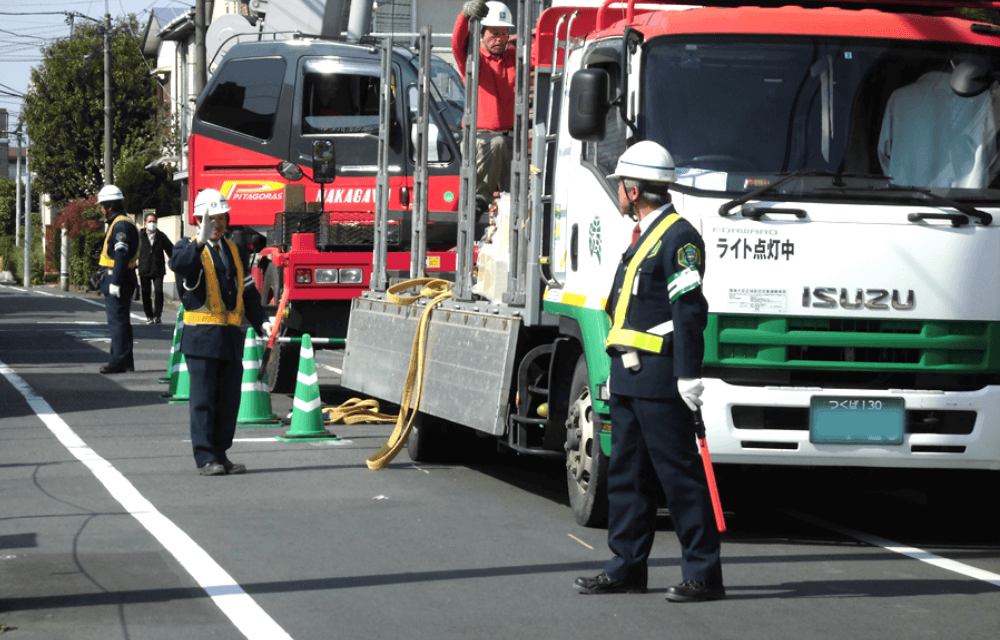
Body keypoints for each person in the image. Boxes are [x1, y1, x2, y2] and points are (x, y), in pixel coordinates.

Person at [574, 141, 724, 603]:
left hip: (661, 380)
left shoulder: (679, 239)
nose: (618, 190)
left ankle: (703, 574)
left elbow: (689, 309)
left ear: (634, 190)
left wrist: (688, 375)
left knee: (679, 478)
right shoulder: (643, 234)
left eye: (620, 184)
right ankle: (626, 566)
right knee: (627, 478)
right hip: (629, 377)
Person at [168, 189, 271, 476]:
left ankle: (221, 453)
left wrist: (262, 321)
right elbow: (179, 265)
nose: (217, 224)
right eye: (211, 219)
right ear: (199, 221)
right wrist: (199, 242)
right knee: (203, 401)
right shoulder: (186, 248)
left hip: (230, 337)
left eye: (221, 218)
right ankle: (205, 458)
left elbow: (248, 293)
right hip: (201, 336)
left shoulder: (235, 251)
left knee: (228, 401)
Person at [452, 0, 516, 202]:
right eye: (494, 33)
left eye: (504, 33)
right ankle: (479, 200)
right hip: (480, 139)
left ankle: (509, 213)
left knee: (512, 198)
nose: (499, 39)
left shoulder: (515, 57)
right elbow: (457, 42)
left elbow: (540, 53)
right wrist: (465, 16)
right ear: (482, 35)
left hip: (510, 138)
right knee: (497, 143)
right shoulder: (472, 59)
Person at [96, 184, 139, 374]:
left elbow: (121, 254)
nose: (101, 210)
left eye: (102, 207)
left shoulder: (120, 225)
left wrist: (115, 283)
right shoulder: (123, 221)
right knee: (122, 321)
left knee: (117, 322)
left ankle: (118, 361)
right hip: (123, 276)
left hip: (118, 276)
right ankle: (126, 360)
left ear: (109, 207)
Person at [137, 212, 174, 324]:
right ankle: (149, 315)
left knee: (158, 291)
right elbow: (133, 250)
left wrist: (177, 262)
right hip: (144, 268)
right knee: (145, 293)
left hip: (158, 268)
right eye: (150, 222)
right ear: (145, 223)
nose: (152, 224)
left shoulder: (160, 236)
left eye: (154, 222)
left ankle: (157, 315)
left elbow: (171, 250)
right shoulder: (140, 236)